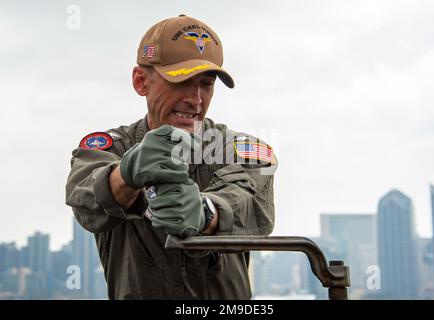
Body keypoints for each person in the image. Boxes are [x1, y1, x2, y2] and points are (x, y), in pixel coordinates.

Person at [65, 14, 277, 299]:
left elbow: (252, 205)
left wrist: (207, 213)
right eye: (181, 81)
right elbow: (85, 200)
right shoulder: (108, 149)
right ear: (141, 81)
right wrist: (126, 176)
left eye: (206, 83)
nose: (196, 99)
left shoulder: (241, 150)